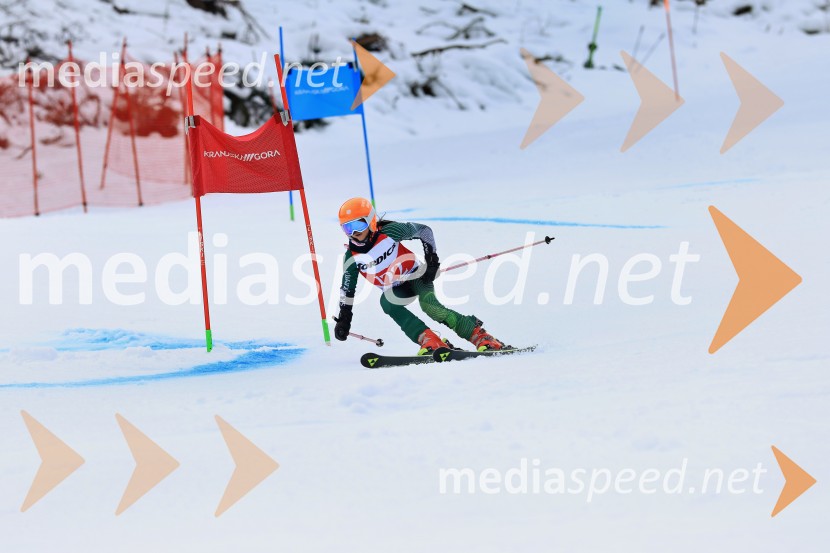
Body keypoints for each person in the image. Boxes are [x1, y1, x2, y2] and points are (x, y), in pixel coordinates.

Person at [333, 197, 507, 354]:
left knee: (430, 307)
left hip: (417, 277)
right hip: (397, 290)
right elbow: (347, 289)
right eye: (347, 228)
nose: (353, 233)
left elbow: (424, 231)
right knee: (387, 303)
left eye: (358, 225)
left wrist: (432, 261)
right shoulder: (352, 258)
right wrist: (344, 318)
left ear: (370, 221)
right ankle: (430, 340)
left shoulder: (390, 232)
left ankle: (478, 335)